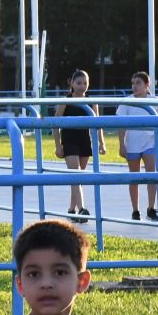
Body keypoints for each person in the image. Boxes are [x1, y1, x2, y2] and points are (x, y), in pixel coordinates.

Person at [53, 70, 106, 220]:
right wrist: (58, 146)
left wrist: (102, 143)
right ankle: (82, 208)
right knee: (75, 175)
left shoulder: (91, 102)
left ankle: (71, 209)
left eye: (85, 83)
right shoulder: (66, 101)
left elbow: (98, 124)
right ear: (72, 83)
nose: (82, 86)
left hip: (85, 140)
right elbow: (55, 124)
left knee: (78, 178)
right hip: (69, 139)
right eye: (79, 83)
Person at [114, 71, 158, 221]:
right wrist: (121, 144)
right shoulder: (126, 101)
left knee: (151, 176)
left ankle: (151, 207)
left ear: (147, 85)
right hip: (132, 144)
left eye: (138, 83)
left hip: (150, 142)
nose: (135, 86)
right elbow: (121, 125)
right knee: (134, 178)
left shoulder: (155, 100)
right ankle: (135, 210)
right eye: (133, 83)